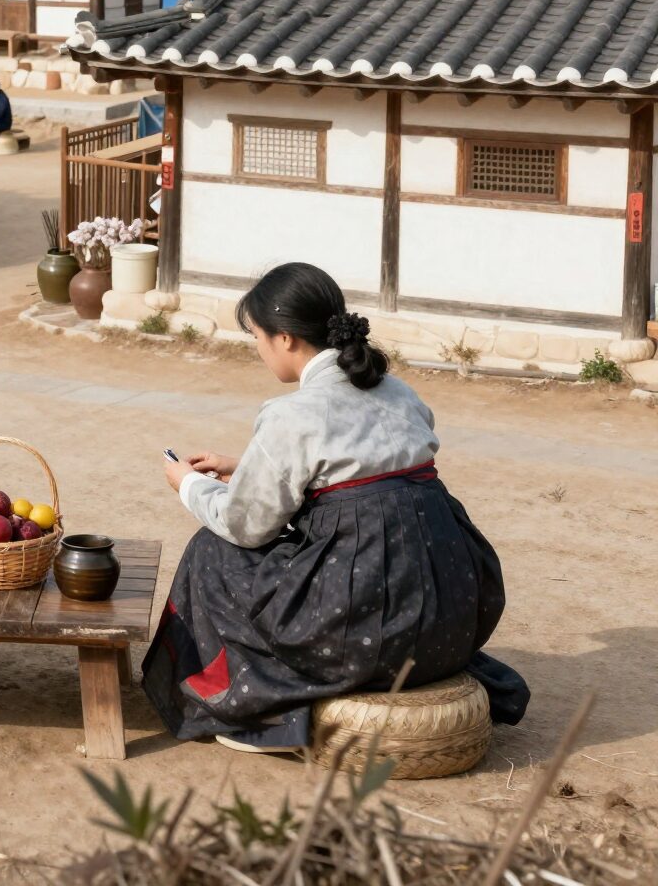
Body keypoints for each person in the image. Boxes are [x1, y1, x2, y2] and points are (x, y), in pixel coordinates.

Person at [143, 262, 528, 755]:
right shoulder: (399, 392)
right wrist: (243, 466)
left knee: (213, 550)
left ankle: (259, 713)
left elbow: (246, 525)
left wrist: (190, 486)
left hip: (363, 629)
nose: (259, 349)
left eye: (257, 337)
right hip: (451, 616)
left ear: (284, 339)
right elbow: (369, 475)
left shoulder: (291, 414)